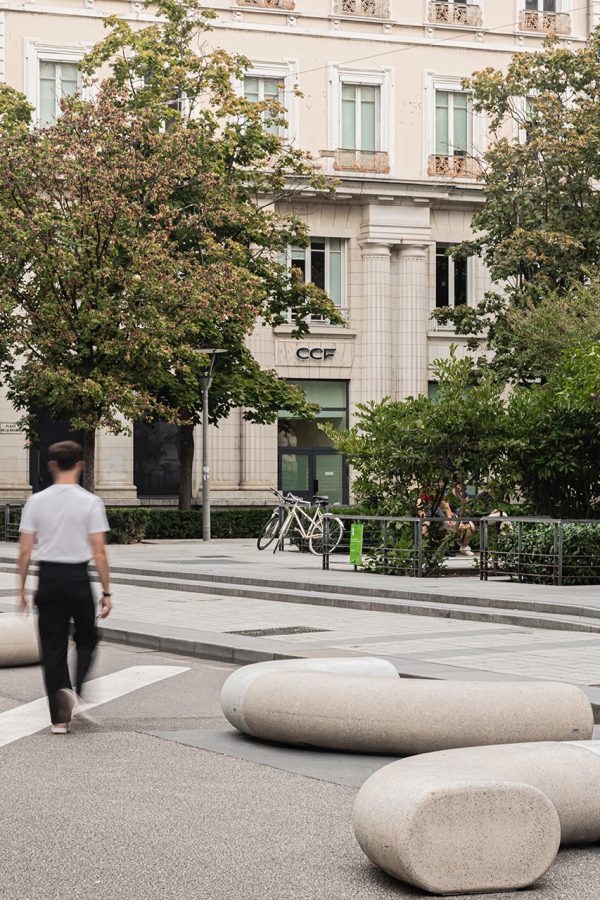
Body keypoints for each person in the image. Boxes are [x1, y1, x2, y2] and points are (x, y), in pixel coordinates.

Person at [17, 440, 112, 734]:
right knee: (87, 638)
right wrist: (107, 593)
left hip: (48, 579)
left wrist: (21, 589)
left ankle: (60, 720)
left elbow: (24, 550)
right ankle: (79, 689)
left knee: (53, 648)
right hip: (78, 579)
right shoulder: (90, 502)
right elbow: (98, 551)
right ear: (81, 465)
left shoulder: (36, 501)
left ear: (52, 466)